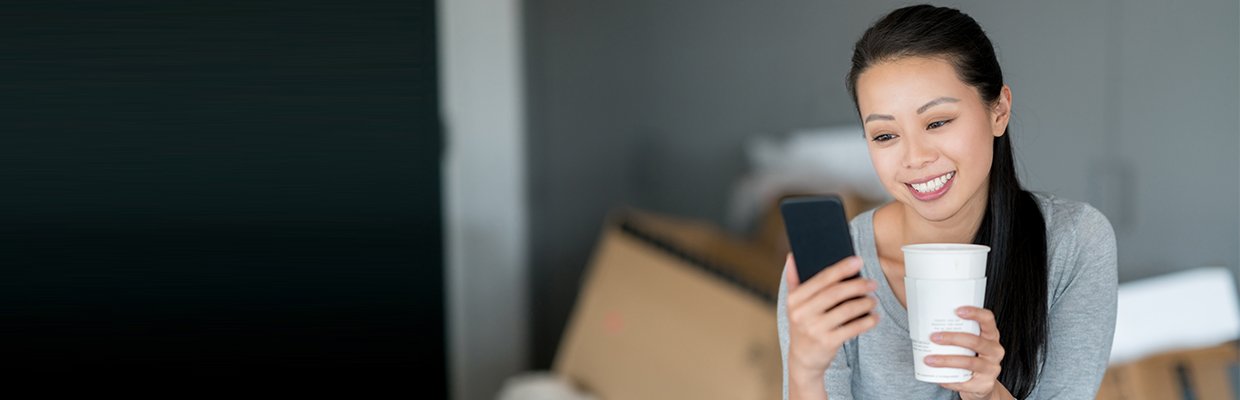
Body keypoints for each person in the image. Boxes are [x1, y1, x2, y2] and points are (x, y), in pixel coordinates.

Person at [777, 5, 1118, 400]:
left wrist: (985, 392)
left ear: (999, 111)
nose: (915, 158)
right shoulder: (836, 277)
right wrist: (805, 371)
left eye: (937, 122)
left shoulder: (1074, 243)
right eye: (885, 135)